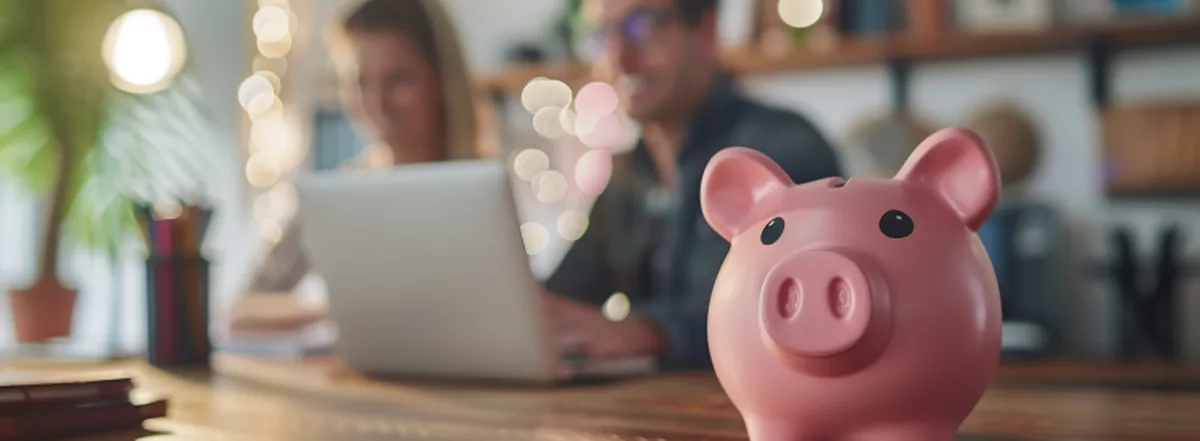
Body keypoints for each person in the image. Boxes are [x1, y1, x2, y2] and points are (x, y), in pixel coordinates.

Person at [540, 0, 843, 370]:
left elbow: (764, 314)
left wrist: (642, 332)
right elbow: (564, 293)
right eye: (604, 33)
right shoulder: (631, 171)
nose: (619, 57)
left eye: (643, 25)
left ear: (706, 32)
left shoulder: (778, 151)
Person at [248, 0, 491, 295]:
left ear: (442, 82)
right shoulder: (336, 196)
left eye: (399, 80)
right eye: (361, 82)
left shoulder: (484, 196)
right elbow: (251, 298)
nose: (378, 104)